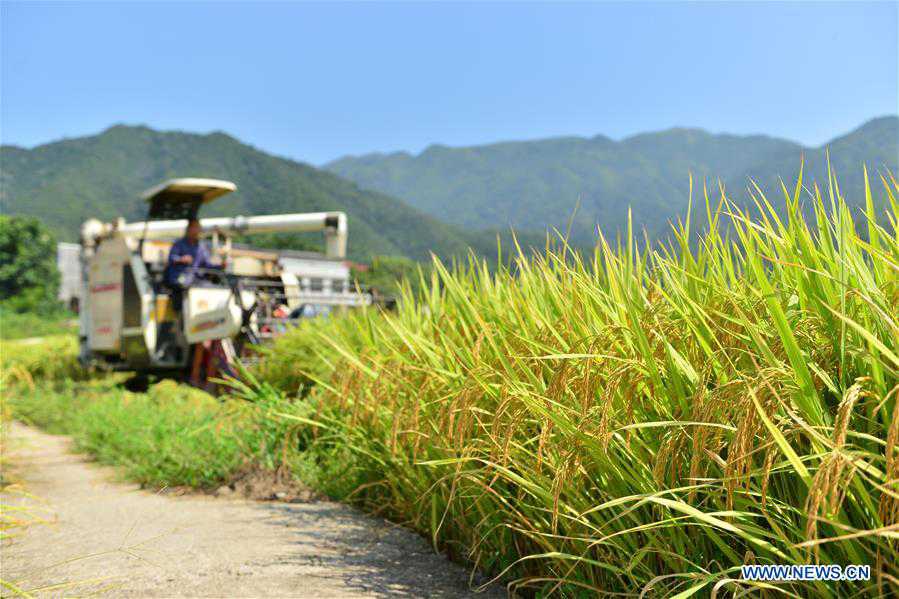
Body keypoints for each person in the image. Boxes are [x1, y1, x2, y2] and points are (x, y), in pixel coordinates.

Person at [164, 218, 218, 310]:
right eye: (195, 227)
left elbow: (207, 264)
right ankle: (181, 316)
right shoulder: (179, 244)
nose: (198, 230)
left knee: (212, 287)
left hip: (195, 279)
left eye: (198, 228)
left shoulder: (201, 247)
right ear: (189, 229)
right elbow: (171, 258)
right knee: (182, 289)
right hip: (180, 279)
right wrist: (181, 259)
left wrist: (220, 265)